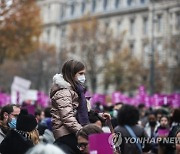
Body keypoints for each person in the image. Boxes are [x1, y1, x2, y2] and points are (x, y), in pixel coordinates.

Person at [50, 60, 90, 154]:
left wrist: (98, 115)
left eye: (84, 73)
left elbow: (83, 111)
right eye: (80, 73)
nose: (83, 77)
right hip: (67, 135)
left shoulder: (77, 91)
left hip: (75, 133)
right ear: (71, 74)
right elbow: (67, 117)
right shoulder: (64, 92)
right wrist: (83, 131)